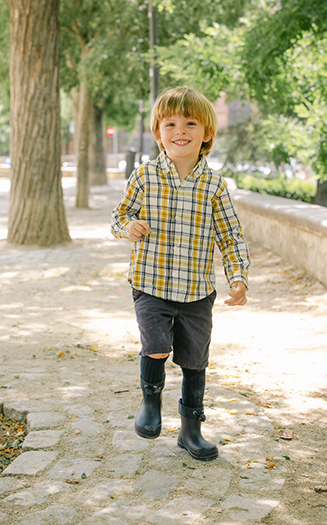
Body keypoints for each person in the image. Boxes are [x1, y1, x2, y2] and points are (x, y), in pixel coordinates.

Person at [111, 87, 251, 461]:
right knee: (156, 347)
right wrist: (128, 227)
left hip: (196, 292)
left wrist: (237, 277)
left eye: (190, 123)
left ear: (207, 132)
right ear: (158, 133)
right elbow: (119, 216)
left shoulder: (215, 186)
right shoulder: (144, 177)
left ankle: (191, 431)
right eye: (170, 124)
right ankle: (150, 404)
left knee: (194, 362)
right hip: (151, 284)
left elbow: (230, 236)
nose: (180, 131)